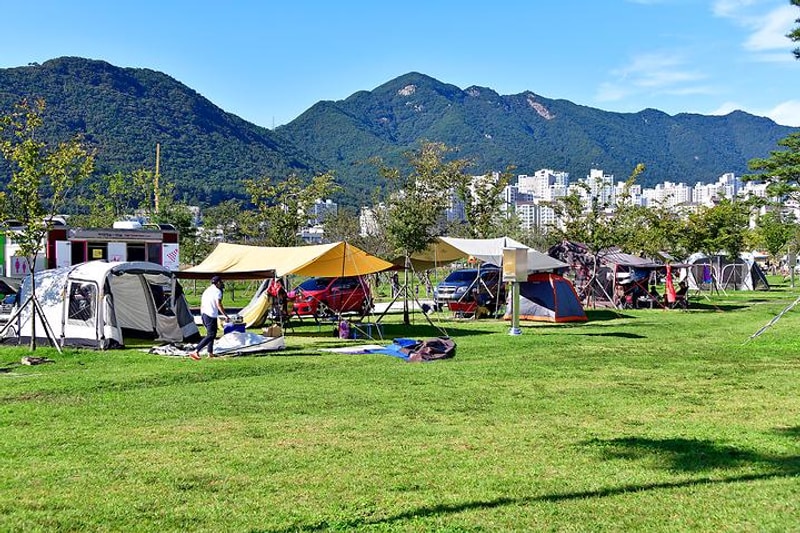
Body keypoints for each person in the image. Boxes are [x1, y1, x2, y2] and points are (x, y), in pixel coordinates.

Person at [188, 275, 228, 360]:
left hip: (204, 314)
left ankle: (210, 352)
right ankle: (196, 351)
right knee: (211, 335)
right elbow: (219, 304)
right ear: (217, 283)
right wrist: (225, 315)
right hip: (211, 315)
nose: (222, 284)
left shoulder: (207, 290)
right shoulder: (218, 291)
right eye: (221, 282)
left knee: (211, 334)